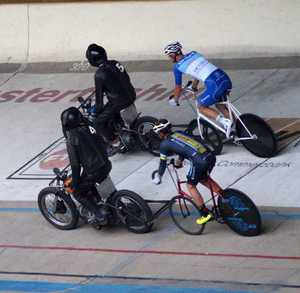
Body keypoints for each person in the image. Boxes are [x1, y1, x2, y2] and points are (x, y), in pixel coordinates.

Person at [152, 119, 222, 225]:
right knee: (203, 178)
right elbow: (185, 147)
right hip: (210, 156)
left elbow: (162, 163)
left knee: (190, 185)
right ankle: (225, 196)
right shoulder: (178, 133)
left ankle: (205, 214)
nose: (158, 135)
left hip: (199, 161)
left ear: (161, 133)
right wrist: (180, 160)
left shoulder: (164, 145)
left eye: (158, 133)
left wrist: (159, 176)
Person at [164, 41, 233, 137]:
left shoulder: (177, 67)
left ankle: (225, 122)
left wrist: (175, 100)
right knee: (220, 104)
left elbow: (178, 87)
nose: (169, 58)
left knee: (201, 107)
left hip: (215, 85)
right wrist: (194, 86)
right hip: (225, 78)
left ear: (172, 55)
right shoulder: (194, 53)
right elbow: (198, 72)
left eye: (169, 55)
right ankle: (237, 126)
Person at [61, 106, 113, 224]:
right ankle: (99, 199)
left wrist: (74, 183)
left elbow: (75, 166)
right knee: (87, 181)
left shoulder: (72, 139)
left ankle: (98, 215)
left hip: (95, 170)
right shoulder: (90, 127)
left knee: (78, 192)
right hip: (106, 164)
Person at [85, 43, 136, 145]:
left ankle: (114, 141)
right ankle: (119, 125)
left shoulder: (99, 74)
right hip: (131, 94)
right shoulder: (115, 63)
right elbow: (126, 78)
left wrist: (96, 111)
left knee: (98, 122)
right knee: (110, 109)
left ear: (93, 60)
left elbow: (99, 101)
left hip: (119, 102)